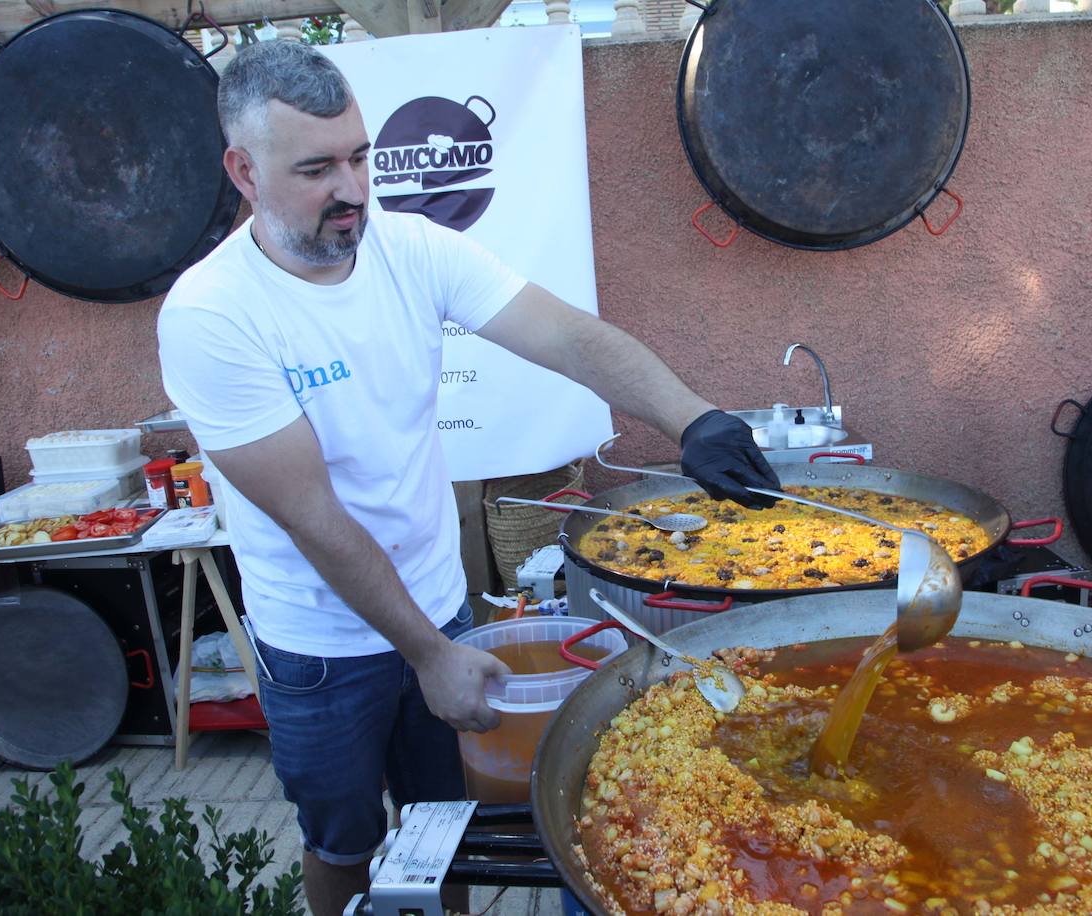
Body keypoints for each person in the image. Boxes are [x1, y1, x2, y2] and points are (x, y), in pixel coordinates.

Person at [156, 39, 779, 916]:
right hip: (320, 647)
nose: (354, 189)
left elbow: (569, 336)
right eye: (316, 169)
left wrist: (693, 419)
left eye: (361, 156)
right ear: (244, 171)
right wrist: (427, 656)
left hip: (438, 605)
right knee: (343, 840)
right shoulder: (211, 315)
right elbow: (314, 516)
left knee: (437, 828)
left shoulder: (411, 249)